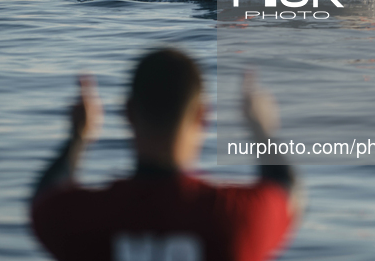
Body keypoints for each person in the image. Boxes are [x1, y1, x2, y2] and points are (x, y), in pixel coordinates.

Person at [30, 48, 302, 261]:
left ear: (127, 114)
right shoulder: (237, 218)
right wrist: (261, 130)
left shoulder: (81, 221)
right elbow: (288, 195)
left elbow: (44, 197)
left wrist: (79, 136)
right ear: (202, 117)